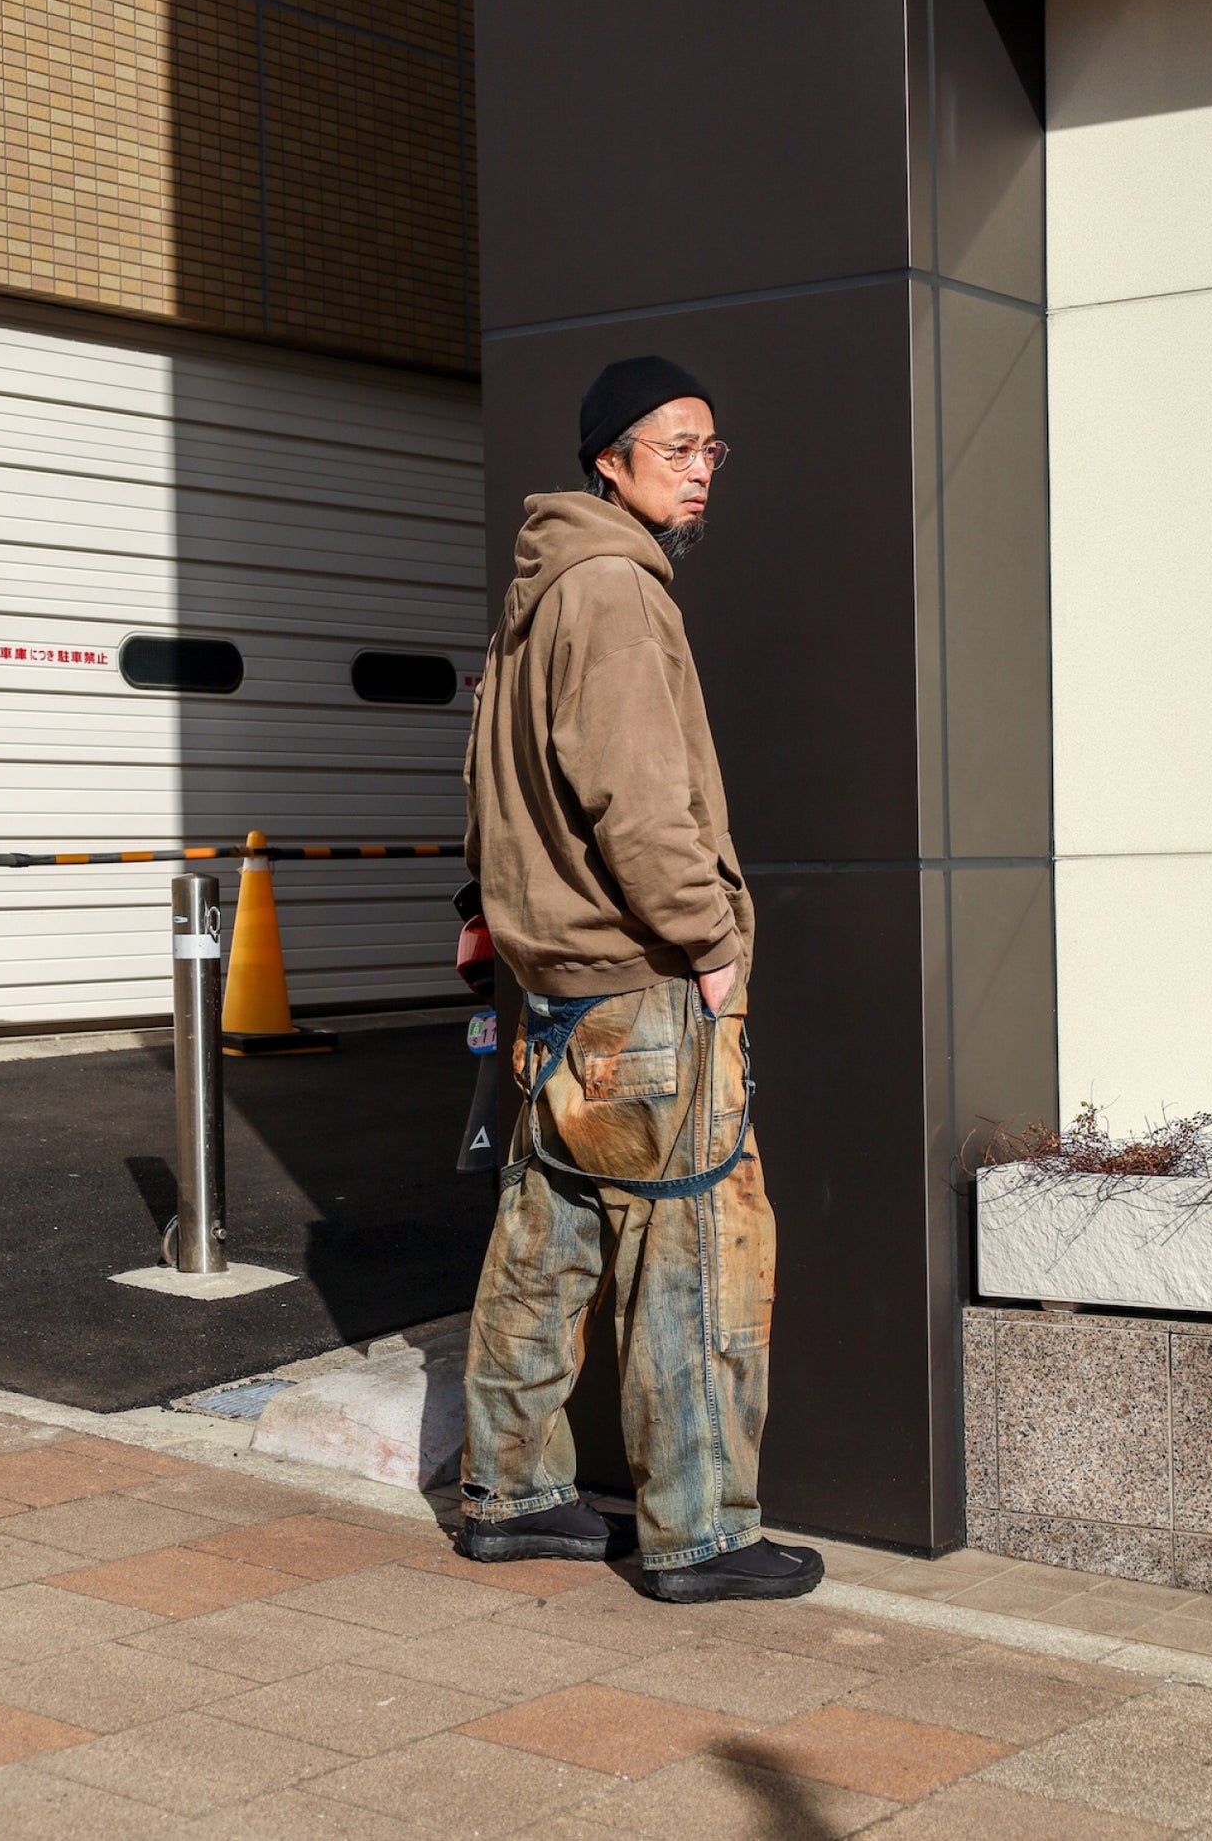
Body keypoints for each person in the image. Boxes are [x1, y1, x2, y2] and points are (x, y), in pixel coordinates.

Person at [456, 355, 823, 1603]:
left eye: (713, 450)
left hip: (554, 994)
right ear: (607, 459)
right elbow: (638, 798)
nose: (702, 472)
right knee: (692, 1254)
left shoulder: (537, 585)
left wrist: (477, 911)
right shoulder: (613, 587)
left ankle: (509, 1493)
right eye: (677, 448)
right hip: (641, 984)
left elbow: (488, 773)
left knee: (543, 1245)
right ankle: (702, 1534)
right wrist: (711, 942)